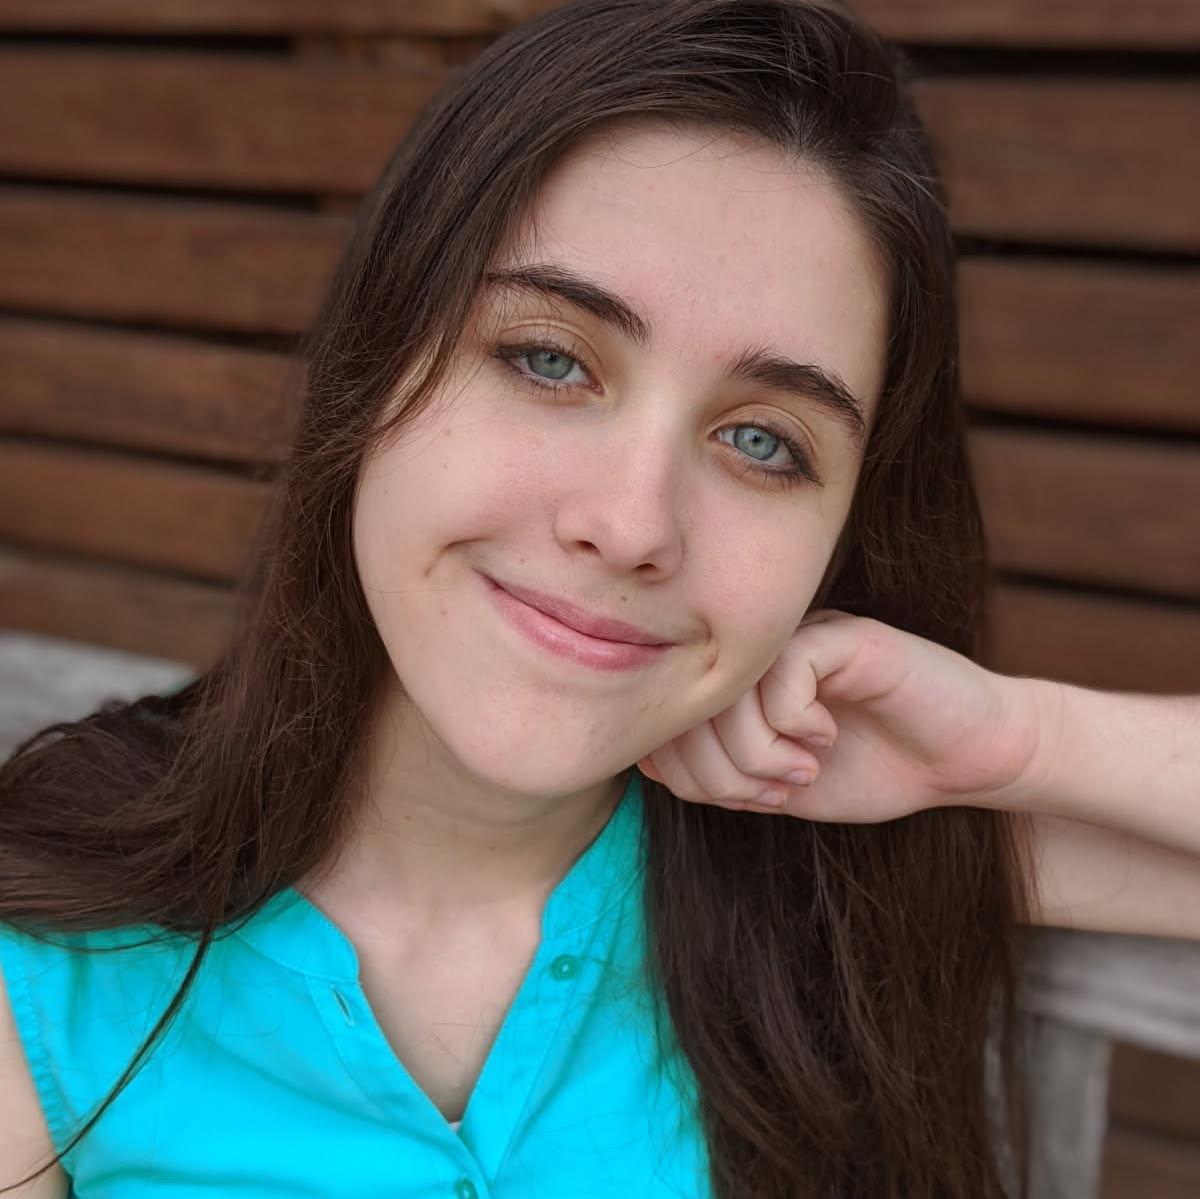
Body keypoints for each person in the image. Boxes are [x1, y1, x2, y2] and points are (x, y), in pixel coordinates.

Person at [0, 1, 1195, 1196]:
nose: (630, 525)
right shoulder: (46, 959)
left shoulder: (827, 862)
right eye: (551, 358)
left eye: (763, 441)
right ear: (375, 360)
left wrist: (1021, 740)